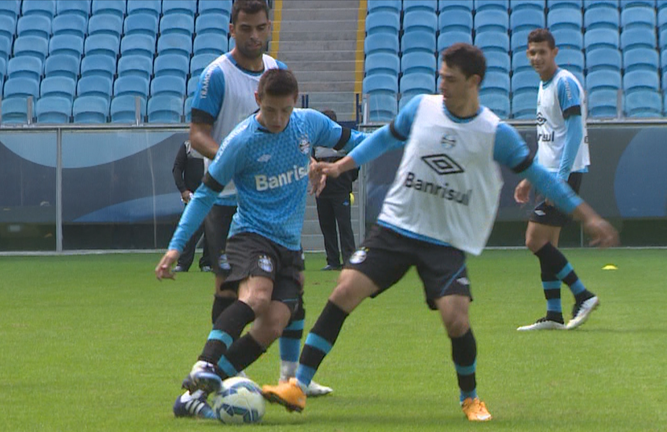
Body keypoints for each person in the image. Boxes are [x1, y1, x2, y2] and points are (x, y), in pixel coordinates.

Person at [260, 43, 619, 422]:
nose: (442, 83)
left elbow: (541, 176)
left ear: (474, 82)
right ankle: (297, 386)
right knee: (344, 290)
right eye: (441, 76)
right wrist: (340, 165)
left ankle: (470, 398)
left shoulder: (495, 132)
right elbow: (384, 138)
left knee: (456, 319)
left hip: (444, 240)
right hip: (395, 228)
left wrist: (588, 217)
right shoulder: (422, 107)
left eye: (450, 79)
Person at [156, 69, 368, 419]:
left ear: (295, 104)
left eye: (285, 110)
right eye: (271, 110)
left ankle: (194, 396)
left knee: (273, 324)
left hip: (288, 244)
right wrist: (177, 246)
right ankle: (203, 364)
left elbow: (357, 140)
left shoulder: (308, 125)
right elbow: (205, 194)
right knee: (256, 297)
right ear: (258, 101)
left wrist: (350, 158)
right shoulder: (241, 141)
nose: (278, 119)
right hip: (251, 235)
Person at [187, 0, 332, 405]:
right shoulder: (216, 74)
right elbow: (197, 133)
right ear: (231, 28)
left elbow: (288, 136)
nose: (254, 36)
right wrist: (233, 163)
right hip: (227, 196)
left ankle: (292, 376)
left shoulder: (274, 70)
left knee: (294, 285)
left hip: (272, 200)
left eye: (261, 28)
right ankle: (226, 370)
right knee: (230, 288)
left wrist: (310, 164)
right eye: (246, 28)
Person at [515, 29, 597, 331]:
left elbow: (575, 132)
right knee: (547, 244)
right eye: (532, 52)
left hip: (564, 174)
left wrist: (559, 180)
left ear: (555, 52)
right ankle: (554, 314)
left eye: (542, 52)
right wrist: (529, 177)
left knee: (534, 240)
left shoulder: (564, 83)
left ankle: (583, 295)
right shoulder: (544, 85)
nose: (536, 57)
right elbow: (549, 138)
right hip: (548, 174)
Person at [314, 109, 359, 270]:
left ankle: (348, 261)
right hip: (322, 191)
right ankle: (332, 261)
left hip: (341, 191)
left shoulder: (345, 140)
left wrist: (346, 181)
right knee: (327, 227)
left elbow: (354, 165)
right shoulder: (316, 143)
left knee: (344, 226)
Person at [172, 140, 211, 273]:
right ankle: (183, 263)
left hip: (210, 194)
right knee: (189, 229)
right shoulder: (187, 146)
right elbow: (177, 169)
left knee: (211, 230)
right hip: (192, 197)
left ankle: (207, 263)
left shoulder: (215, 145)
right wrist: (183, 190)